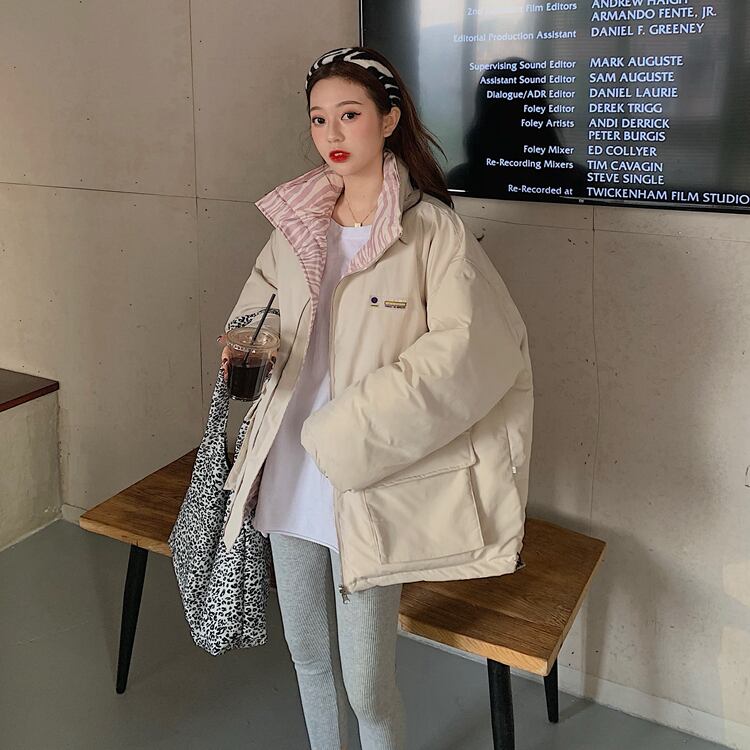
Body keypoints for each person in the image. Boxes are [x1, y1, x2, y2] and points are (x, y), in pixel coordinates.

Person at [217, 46, 533, 750]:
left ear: (389, 120)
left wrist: (348, 430)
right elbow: (257, 310)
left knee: (367, 682)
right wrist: (244, 346)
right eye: (318, 118)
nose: (331, 133)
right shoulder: (297, 222)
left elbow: (469, 351)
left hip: (366, 471)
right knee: (306, 656)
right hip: (288, 462)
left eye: (349, 114)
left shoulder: (432, 232)